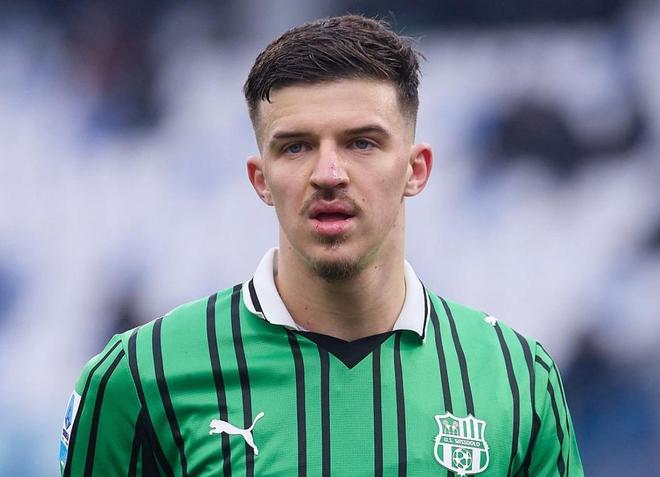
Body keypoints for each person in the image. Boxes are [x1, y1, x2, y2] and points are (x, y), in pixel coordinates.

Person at [60, 15, 583, 476]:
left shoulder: (516, 377)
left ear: (416, 169)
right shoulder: (138, 376)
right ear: (261, 179)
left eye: (362, 142)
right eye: (296, 147)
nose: (328, 173)